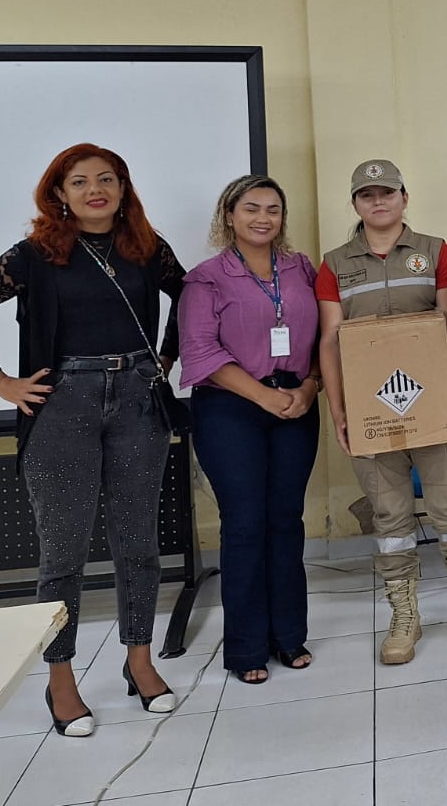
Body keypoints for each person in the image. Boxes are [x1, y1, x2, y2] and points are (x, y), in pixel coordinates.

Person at [0, 143, 184, 736]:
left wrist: (165, 359)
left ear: (123, 189)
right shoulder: (33, 256)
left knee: (138, 543)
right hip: (61, 407)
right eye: (79, 181)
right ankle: (61, 679)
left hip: (137, 404)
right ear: (60, 194)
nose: (95, 189)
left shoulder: (147, 249)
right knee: (63, 555)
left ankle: (140, 662)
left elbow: (193, 297)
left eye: (107, 179)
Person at [318, 159, 447, 665]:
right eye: (366, 195)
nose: (378, 202)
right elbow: (330, 342)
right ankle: (405, 615)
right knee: (391, 517)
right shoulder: (335, 264)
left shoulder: (434, 252)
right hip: (370, 412)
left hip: (432, 411)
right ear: (355, 204)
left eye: (387, 193)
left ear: (404, 197)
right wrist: (339, 411)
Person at [178, 175, 321, 684]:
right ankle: (245, 648)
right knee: (245, 524)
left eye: (274, 210)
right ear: (229, 216)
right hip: (231, 408)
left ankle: (288, 636)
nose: (263, 218)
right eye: (251, 209)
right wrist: (265, 396)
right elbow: (200, 353)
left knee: (286, 520)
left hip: (296, 405)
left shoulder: (300, 268)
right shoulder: (206, 278)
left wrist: (307, 389)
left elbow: (325, 339)